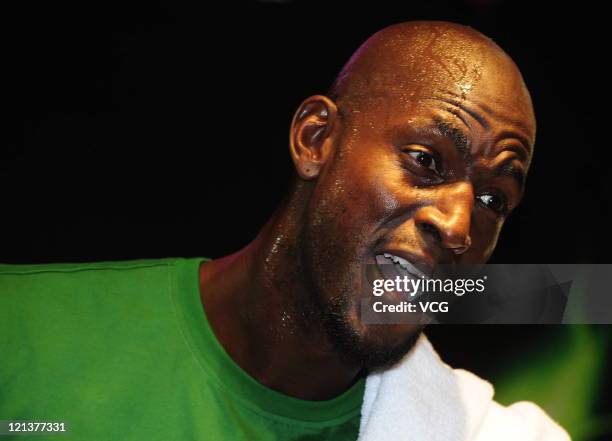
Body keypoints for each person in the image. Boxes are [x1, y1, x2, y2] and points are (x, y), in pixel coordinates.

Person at [0, 21, 569, 440]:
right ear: (316, 139)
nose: (458, 226)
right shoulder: (23, 327)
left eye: (495, 198)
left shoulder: (480, 432)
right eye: (425, 160)